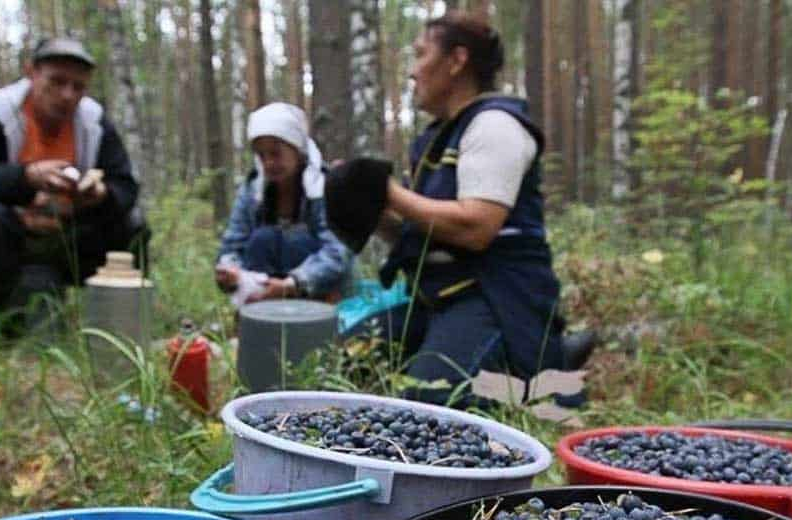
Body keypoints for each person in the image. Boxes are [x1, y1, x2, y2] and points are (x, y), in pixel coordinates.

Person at [331, 11, 572, 405]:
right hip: (435, 301)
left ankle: (535, 366)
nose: (412, 72)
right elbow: (427, 232)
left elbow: (477, 228)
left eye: (420, 55)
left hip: (495, 300)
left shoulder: (496, 125)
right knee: (341, 360)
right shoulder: (437, 139)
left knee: (427, 404)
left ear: (457, 61)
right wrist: (369, 207)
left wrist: (388, 192)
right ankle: (523, 362)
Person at [0, 38, 148, 333]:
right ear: (31, 72)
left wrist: (100, 196)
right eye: (56, 82)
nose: (67, 95)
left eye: (78, 86)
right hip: (8, 236)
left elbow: (124, 184)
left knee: (133, 222)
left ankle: (121, 320)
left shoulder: (93, 121)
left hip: (71, 235)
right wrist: (25, 178)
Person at [214, 102, 352, 306]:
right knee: (263, 239)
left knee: (294, 239)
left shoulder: (324, 187)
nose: (268, 162)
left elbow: (337, 253)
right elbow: (232, 246)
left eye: (276, 153)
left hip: (318, 294)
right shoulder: (253, 191)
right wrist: (230, 272)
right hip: (264, 293)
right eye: (262, 155)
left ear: (296, 149)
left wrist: (292, 284)